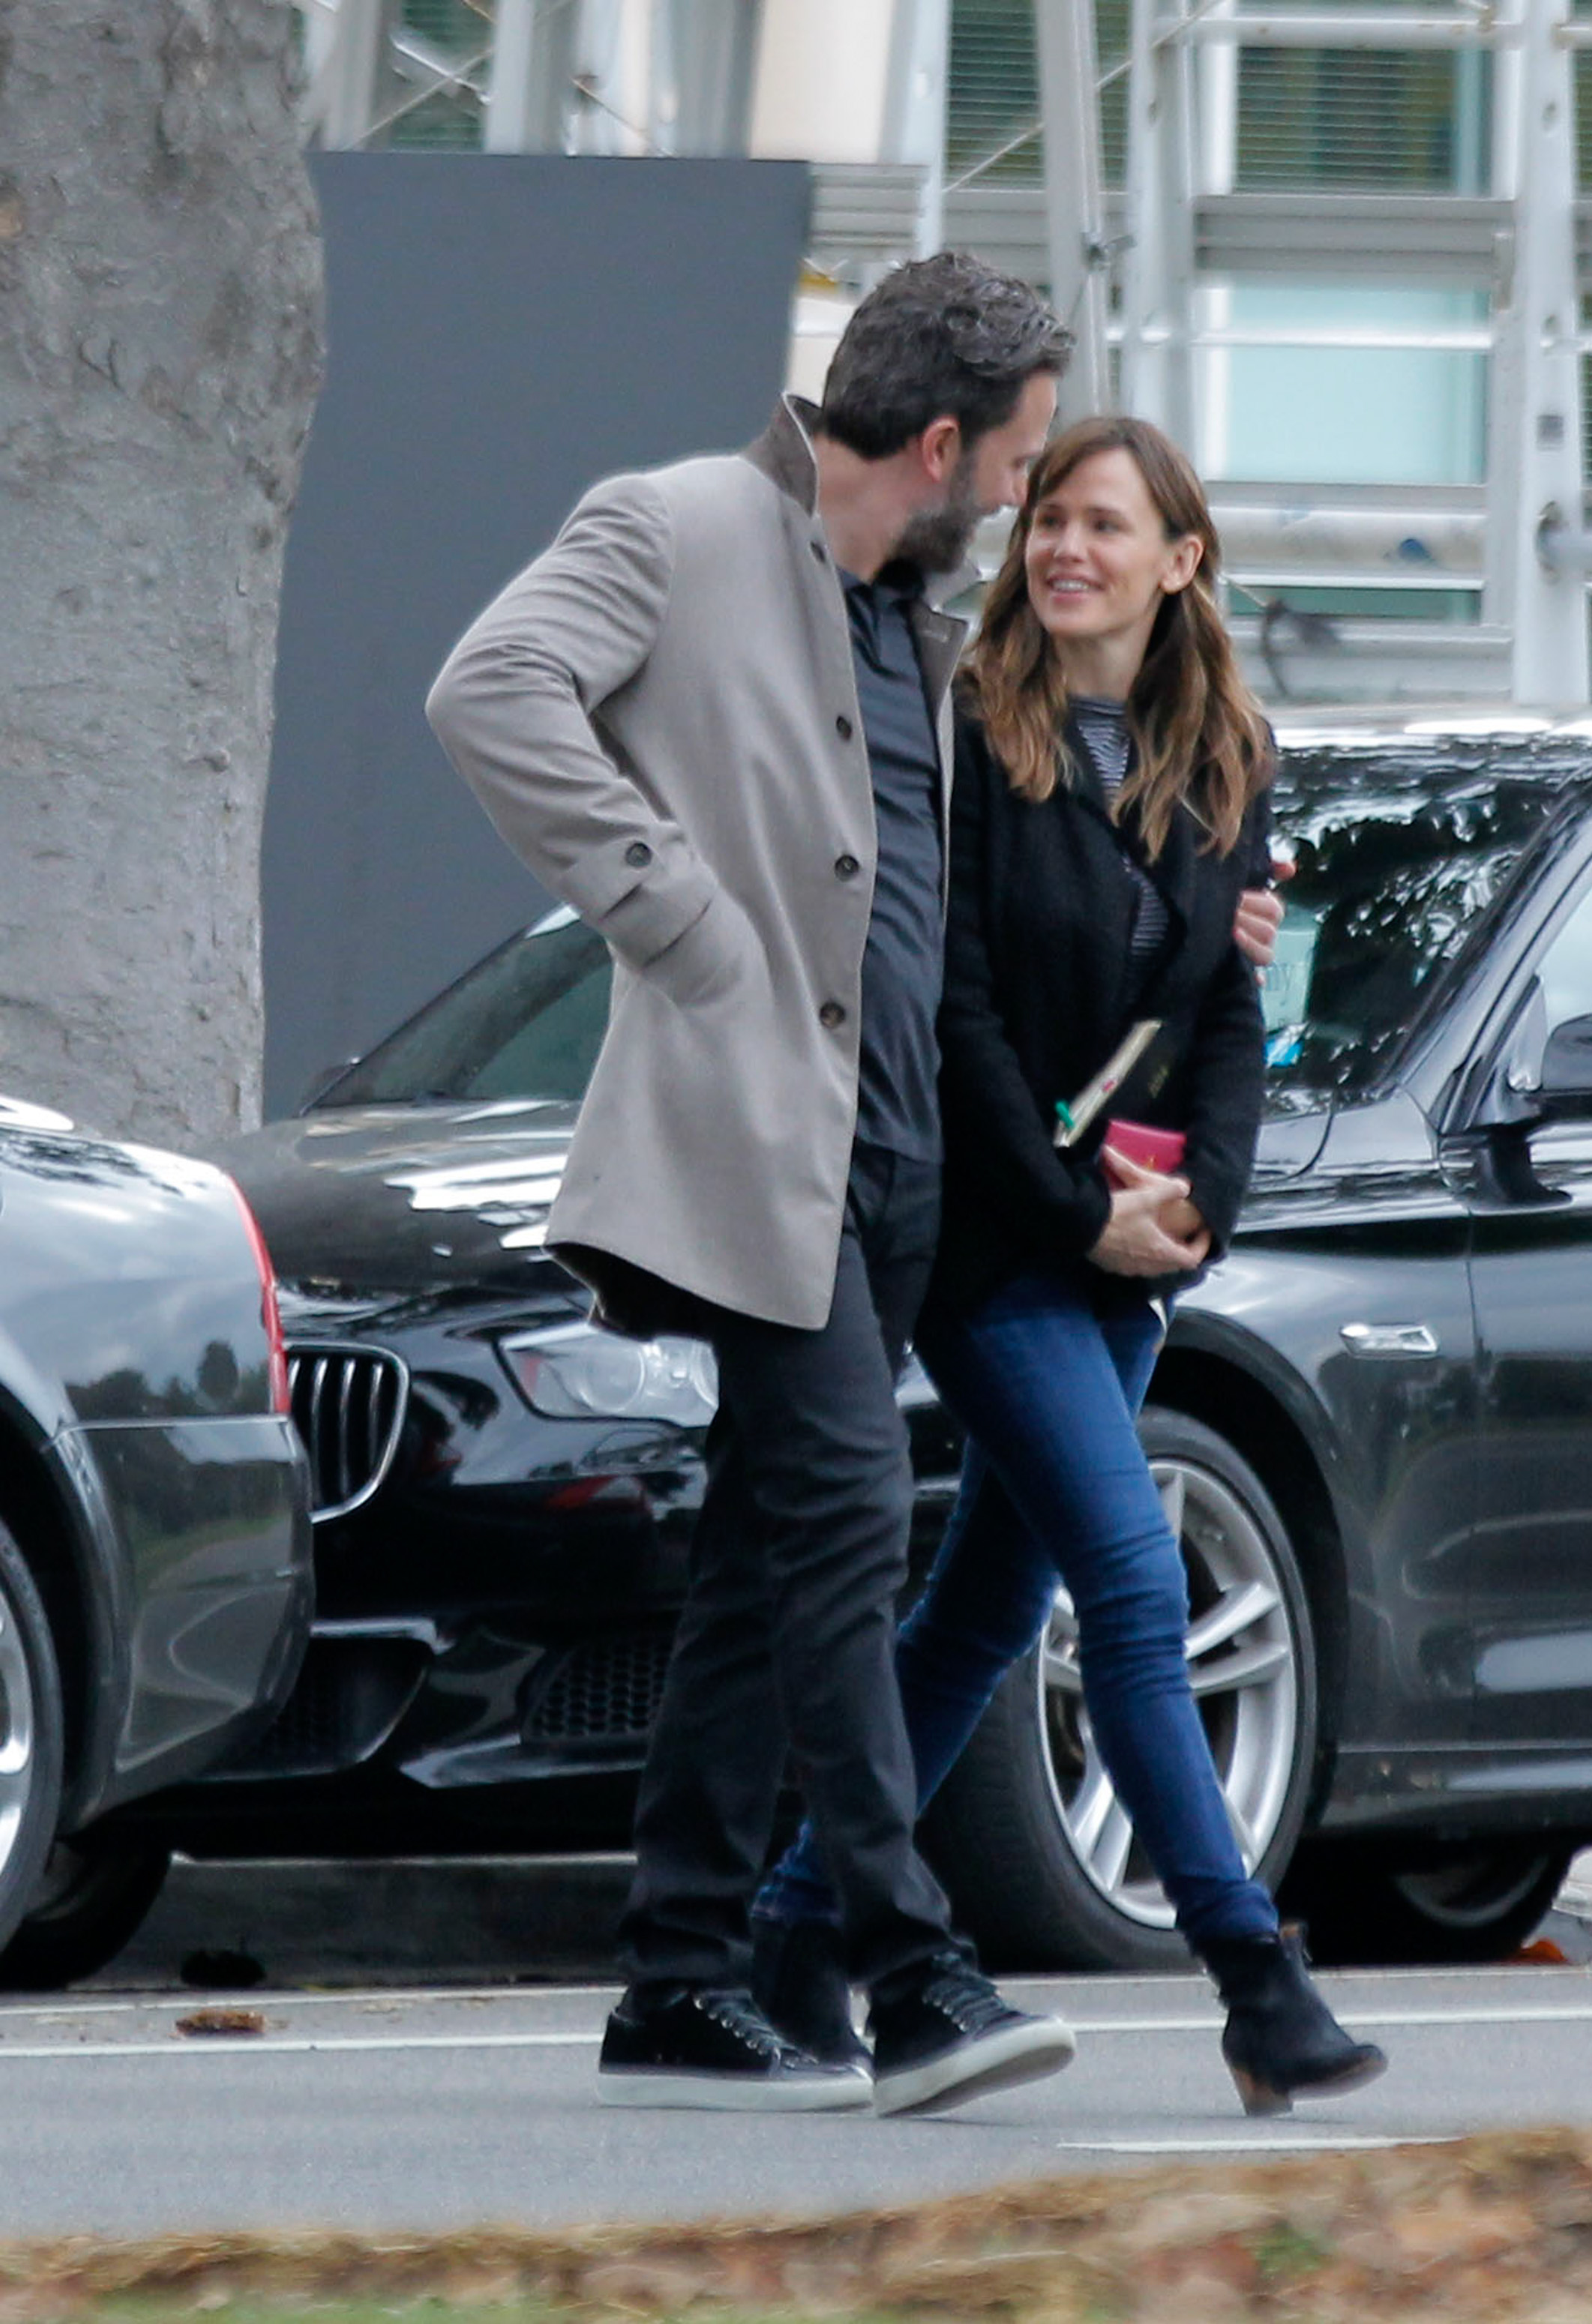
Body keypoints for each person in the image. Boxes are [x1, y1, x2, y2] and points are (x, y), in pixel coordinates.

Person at [425, 253, 1084, 2116]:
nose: (1029, 503)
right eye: (1022, 465)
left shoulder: (907, 618)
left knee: (757, 1563)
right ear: (939, 443)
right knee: (850, 1518)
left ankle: (678, 1973)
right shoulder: (679, 520)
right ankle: (914, 1964)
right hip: (743, 1152)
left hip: (888, 1177)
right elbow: (490, 690)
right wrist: (673, 917)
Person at [749, 415, 1387, 2116]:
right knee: (1126, 1574)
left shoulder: (1222, 751)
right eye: (1047, 520)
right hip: (984, 1235)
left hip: (1129, 1249)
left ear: (1179, 562)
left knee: (977, 1610)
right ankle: (1253, 1973)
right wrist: (1061, 1208)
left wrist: (1210, 1208)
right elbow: (944, 1010)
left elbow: (1224, 1011)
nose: (1061, 549)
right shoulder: (970, 730)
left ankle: (798, 1929)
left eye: (1103, 525)